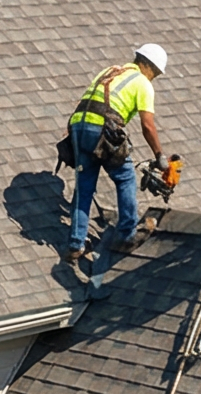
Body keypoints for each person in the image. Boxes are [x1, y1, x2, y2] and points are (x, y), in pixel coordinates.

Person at [65, 44, 168, 266]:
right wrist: (159, 156)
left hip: (77, 126)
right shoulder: (142, 83)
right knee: (126, 179)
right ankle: (127, 234)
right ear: (148, 66)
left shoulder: (110, 70)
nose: (154, 79)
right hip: (102, 129)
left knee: (84, 187)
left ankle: (76, 244)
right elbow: (148, 125)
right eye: (156, 74)